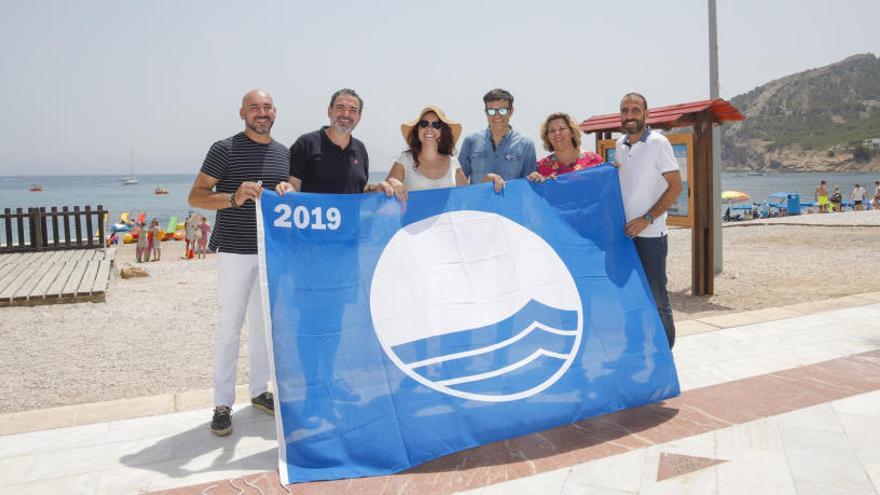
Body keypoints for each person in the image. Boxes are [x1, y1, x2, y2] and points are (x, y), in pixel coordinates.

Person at [188, 89, 289, 436]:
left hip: (269, 253)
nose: (261, 113)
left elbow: (291, 200)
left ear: (275, 112)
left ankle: (260, 391)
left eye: (267, 107)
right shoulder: (224, 149)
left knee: (264, 327)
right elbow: (196, 196)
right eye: (254, 108)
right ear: (242, 113)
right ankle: (222, 403)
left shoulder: (284, 154)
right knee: (230, 327)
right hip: (233, 250)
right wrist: (233, 197)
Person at [614, 92, 683, 350]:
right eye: (625, 110)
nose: (629, 115)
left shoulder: (658, 143)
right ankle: (635, 350)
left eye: (634, 110)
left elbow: (675, 187)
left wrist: (647, 218)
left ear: (646, 114)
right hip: (625, 237)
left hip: (652, 237)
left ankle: (665, 356)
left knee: (657, 300)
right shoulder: (620, 144)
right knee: (630, 297)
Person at [379, 106, 468, 200]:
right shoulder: (405, 160)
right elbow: (381, 195)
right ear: (417, 129)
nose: (429, 128)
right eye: (424, 124)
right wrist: (392, 182)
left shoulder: (453, 162)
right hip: (413, 215)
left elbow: (467, 197)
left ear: (442, 131)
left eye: (436, 125)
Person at [458, 88, 536, 191]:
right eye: (491, 111)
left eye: (502, 110)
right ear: (486, 112)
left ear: (511, 111)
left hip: (512, 206)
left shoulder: (526, 145)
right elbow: (459, 184)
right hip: (477, 207)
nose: (497, 116)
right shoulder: (470, 141)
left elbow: (530, 187)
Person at [527, 112, 603, 181]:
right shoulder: (540, 167)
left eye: (562, 129)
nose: (557, 133)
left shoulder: (594, 160)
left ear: (572, 132)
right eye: (552, 131)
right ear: (547, 137)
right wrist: (533, 181)